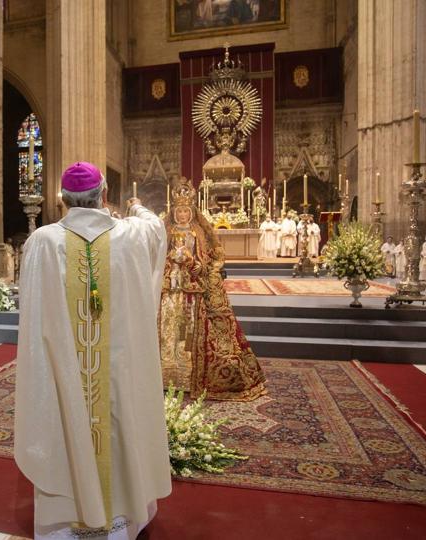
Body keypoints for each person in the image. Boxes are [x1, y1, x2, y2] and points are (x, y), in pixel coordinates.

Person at [15, 162, 171, 539]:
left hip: (65, 371)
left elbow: (33, 314)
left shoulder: (42, 241)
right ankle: (120, 520)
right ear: (103, 196)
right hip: (117, 370)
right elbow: (156, 227)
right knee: (118, 425)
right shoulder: (132, 235)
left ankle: (66, 523)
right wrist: (135, 206)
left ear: (63, 200)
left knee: (64, 425)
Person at [159, 178, 266, 401]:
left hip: (193, 286)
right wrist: (170, 260)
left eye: (185, 211)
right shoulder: (165, 232)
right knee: (169, 324)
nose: (182, 216)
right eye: (178, 212)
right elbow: (158, 257)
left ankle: (189, 374)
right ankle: (165, 371)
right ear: (174, 212)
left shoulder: (198, 233)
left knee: (188, 327)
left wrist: (193, 263)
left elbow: (208, 258)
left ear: (191, 212)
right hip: (171, 286)